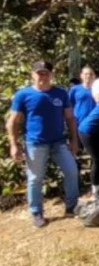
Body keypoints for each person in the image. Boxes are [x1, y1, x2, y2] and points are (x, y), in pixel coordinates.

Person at [7, 61, 80, 227]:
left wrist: (74, 141)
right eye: (39, 73)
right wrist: (14, 144)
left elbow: (69, 118)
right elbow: (13, 122)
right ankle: (37, 212)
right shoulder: (23, 95)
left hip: (58, 142)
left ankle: (72, 206)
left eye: (46, 73)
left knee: (71, 171)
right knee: (35, 179)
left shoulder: (61, 94)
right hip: (35, 144)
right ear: (33, 75)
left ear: (51, 75)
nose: (43, 76)